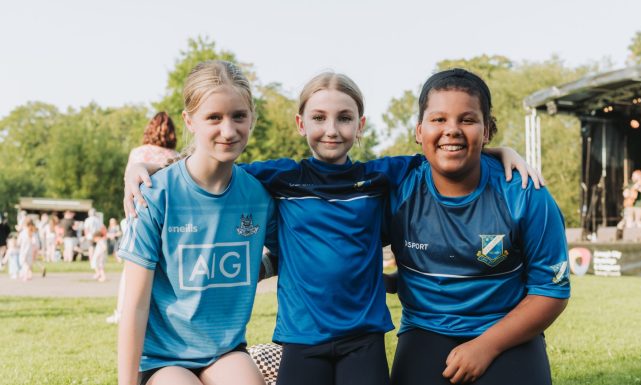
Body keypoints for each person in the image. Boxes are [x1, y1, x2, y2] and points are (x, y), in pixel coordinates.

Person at [125, 71, 543, 385]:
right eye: (319, 118)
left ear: (360, 125)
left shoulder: (382, 177)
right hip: (301, 339)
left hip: (363, 338)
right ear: (300, 123)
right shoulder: (277, 179)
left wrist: (500, 149)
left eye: (344, 118)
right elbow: (208, 169)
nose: (331, 129)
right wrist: (139, 164)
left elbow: (446, 150)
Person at [386, 69, 569, 385]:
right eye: (439, 119)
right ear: (419, 130)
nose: (452, 130)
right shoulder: (398, 189)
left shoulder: (525, 193)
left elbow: (551, 290)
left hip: (505, 329)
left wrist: (487, 345)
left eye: (467, 120)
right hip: (425, 327)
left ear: (487, 131)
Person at [117, 60, 275, 385]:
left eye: (238, 116)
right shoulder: (154, 194)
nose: (228, 130)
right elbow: (133, 307)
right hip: (163, 359)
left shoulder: (259, 195)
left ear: (252, 118)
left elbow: (296, 250)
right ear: (190, 121)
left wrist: (259, 268)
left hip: (225, 351)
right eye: (214, 117)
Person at [107, 112, 179, 325]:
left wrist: (128, 216)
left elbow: (128, 185)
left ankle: (123, 311)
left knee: (132, 269)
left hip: (140, 214)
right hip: (169, 217)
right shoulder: (175, 155)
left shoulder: (139, 153)